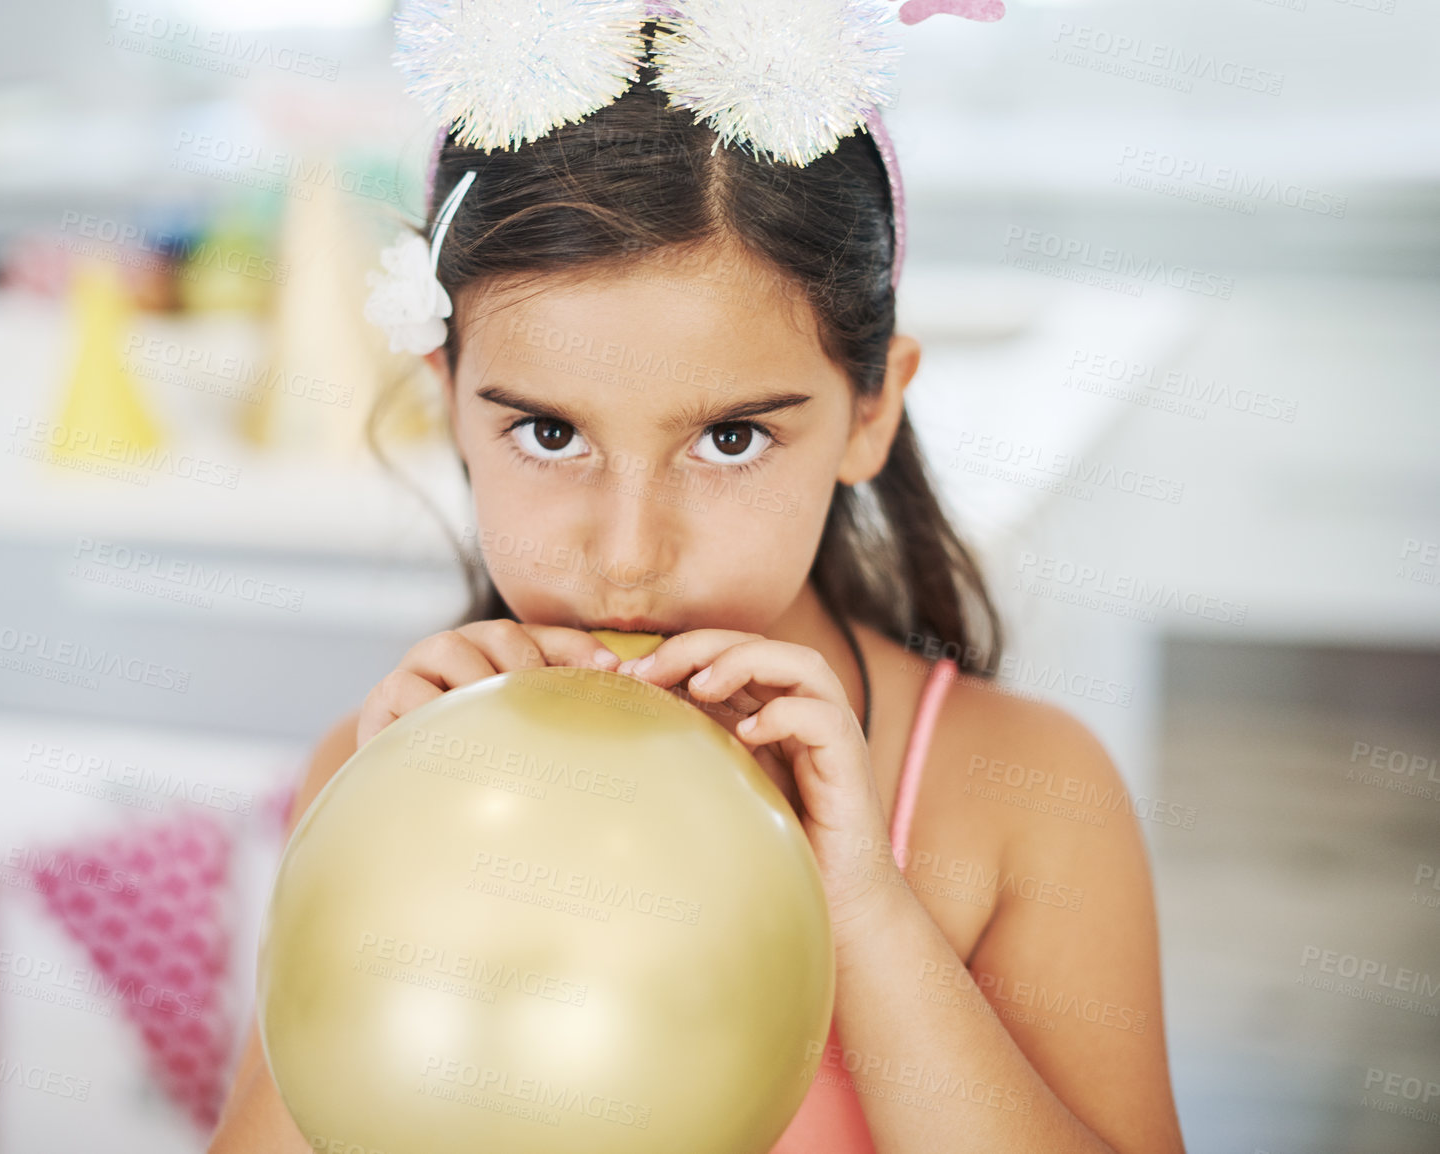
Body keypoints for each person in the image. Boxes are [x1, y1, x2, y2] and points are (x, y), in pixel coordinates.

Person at [210, 24, 1185, 1154]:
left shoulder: (1028, 797)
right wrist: (372, 863)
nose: (627, 555)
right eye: (546, 429)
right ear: (447, 397)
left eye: (728, 438)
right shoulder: (364, 762)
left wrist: (864, 909)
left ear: (872, 410)